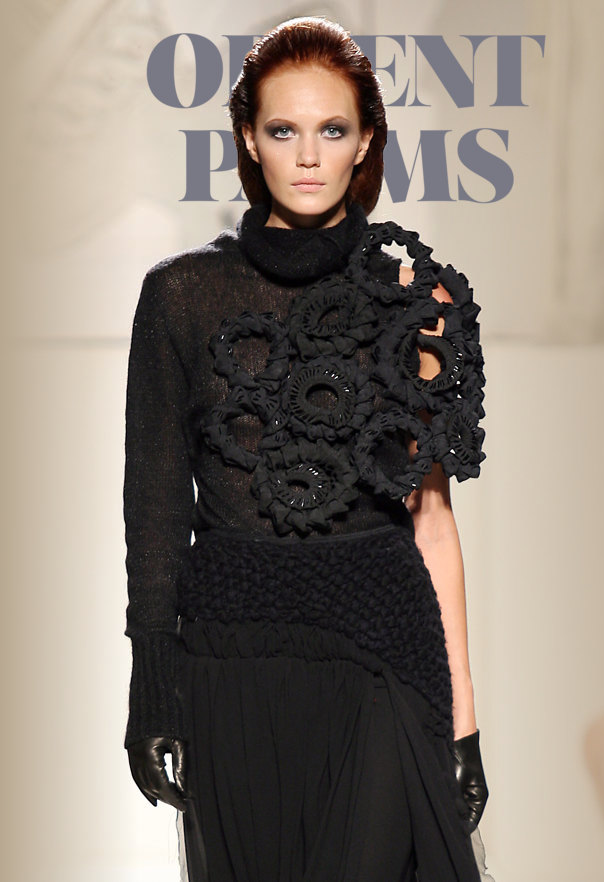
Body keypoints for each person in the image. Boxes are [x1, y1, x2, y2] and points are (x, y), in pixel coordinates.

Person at [124, 16, 490, 882]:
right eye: (284, 131)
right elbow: (156, 509)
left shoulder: (415, 301)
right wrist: (153, 683)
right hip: (231, 657)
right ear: (249, 140)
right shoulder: (182, 296)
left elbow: (433, 523)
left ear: (365, 143)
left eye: (332, 130)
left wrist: (464, 725)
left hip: (382, 651)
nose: (308, 156)